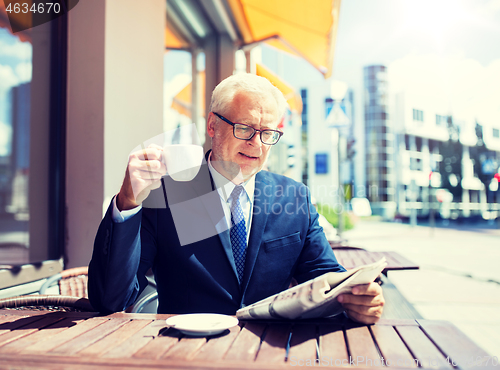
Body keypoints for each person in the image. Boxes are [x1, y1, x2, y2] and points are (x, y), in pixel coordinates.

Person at [88, 73, 384, 324]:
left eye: (267, 133)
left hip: (270, 354)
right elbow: (111, 299)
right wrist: (127, 203)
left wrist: (356, 299)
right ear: (212, 126)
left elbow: (325, 277)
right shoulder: (169, 195)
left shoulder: (294, 197)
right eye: (244, 128)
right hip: (185, 356)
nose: (256, 144)